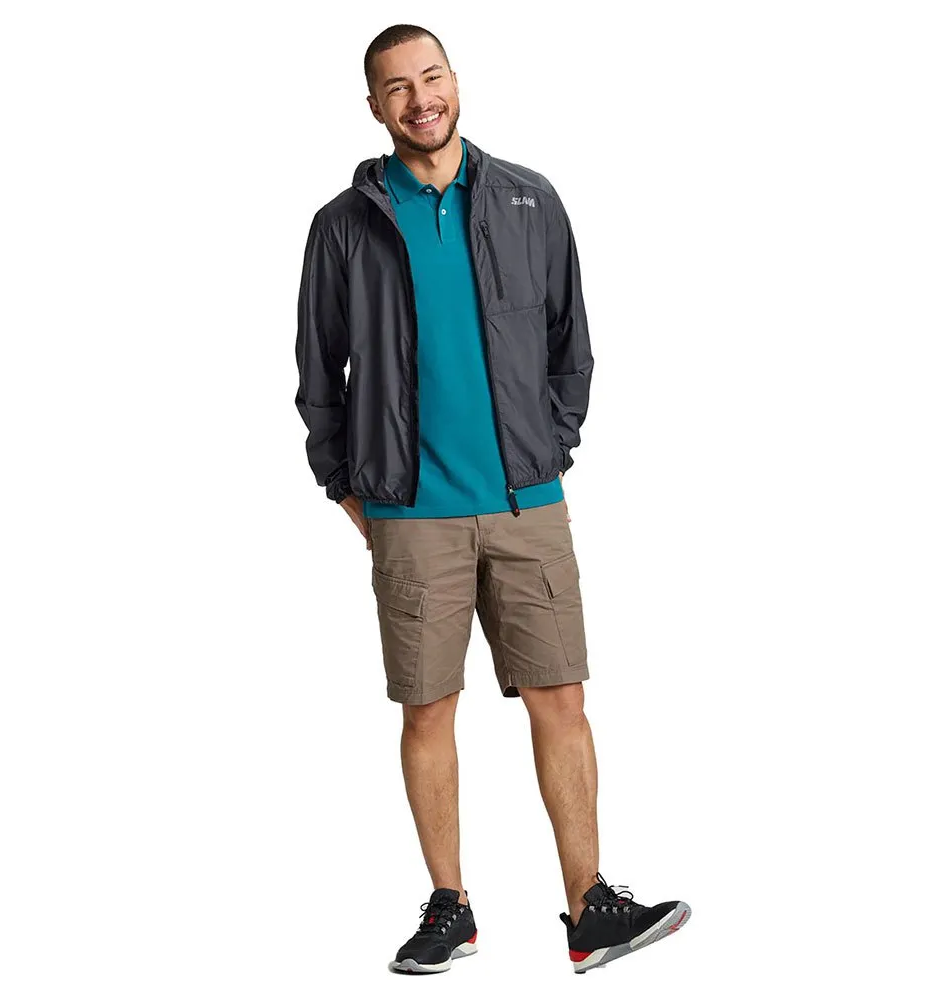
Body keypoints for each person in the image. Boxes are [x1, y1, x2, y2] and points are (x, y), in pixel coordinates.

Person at [294, 23, 691, 975]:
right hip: (408, 512)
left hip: (526, 504)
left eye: (431, 77)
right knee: (427, 710)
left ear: (455, 81)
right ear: (374, 106)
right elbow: (319, 373)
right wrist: (349, 489)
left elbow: (570, 344)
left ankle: (590, 908)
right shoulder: (344, 226)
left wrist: (548, 452)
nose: (419, 98)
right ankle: (451, 907)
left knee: (562, 698)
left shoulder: (527, 199)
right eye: (397, 87)